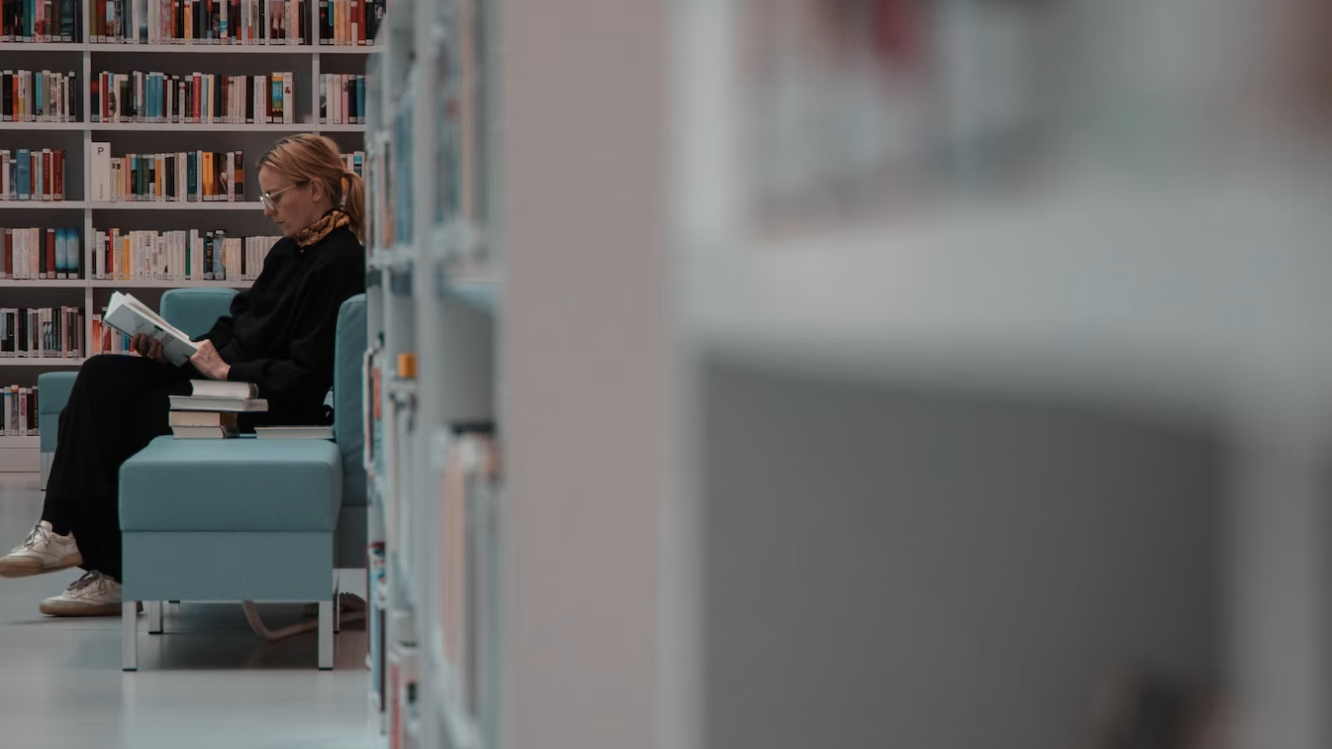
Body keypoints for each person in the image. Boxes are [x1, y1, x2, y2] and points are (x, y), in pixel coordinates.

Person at [0, 134, 367, 616]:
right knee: (100, 374)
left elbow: (305, 374)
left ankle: (103, 564)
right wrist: (179, 347)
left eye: (274, 197)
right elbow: (238, 322)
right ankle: (66, 536)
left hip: (263, 400)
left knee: (130, 410)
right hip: (224, 383)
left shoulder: (341, 262)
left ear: (315, 189)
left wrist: (227, 368)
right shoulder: (287, 251)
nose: (266, 210)